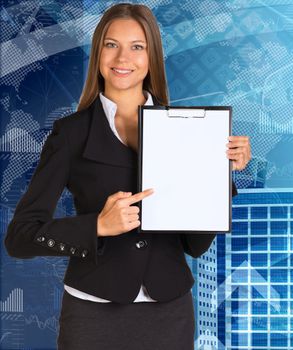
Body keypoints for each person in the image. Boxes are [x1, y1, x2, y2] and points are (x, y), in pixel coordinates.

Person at [4, 3, 251, 349]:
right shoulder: (71, 134)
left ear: (152, 58)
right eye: (111, 44)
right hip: (91, 316)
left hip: (170, 314)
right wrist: (97, 227)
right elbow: (20, 237)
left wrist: (218, 175)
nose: (123, 57)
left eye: (137, 46)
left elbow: (195, 245)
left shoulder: (191, 131)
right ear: (98, 54)